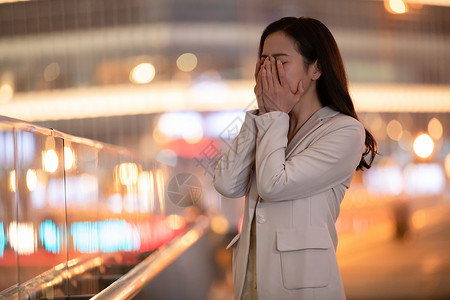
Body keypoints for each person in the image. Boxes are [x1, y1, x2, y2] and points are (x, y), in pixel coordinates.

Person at [213, 16, 377, 300]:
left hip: (302, 287)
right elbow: (227, 183)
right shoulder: (271, 123)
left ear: (316, 68)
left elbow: (274, 185)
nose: (268, 71)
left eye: (280, 61)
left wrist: (273, 114)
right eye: (263, 61)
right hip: (251, 281)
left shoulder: (345, 131)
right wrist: (263, 116)